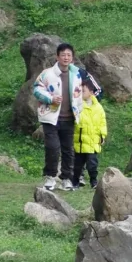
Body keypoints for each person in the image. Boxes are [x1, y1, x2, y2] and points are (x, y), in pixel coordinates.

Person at [33, 43, 84, 191]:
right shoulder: (47, 73)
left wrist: (78, 113)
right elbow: (36, 89)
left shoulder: (77, 74)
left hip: (69, 118)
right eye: (63, 55)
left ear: (72, 57)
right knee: (53, 148)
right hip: (51, 117)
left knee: (68, 149)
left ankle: (66, 178)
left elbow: (79, 96)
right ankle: (50, 177)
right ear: (57, 57)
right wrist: (50, 98)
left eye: (69, 55)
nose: (66, 58)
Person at [72, 77, 107, 190]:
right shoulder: (77, 105)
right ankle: (75, 182)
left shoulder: (98, 108)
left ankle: (93, 181)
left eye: (84, 91)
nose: (81, 93)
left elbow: (102, 123)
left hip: (93, 142)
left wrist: (102, 136)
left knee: (92, 164)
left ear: (91, 93)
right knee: (78, 165)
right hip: (81, 141)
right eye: (80, 91)